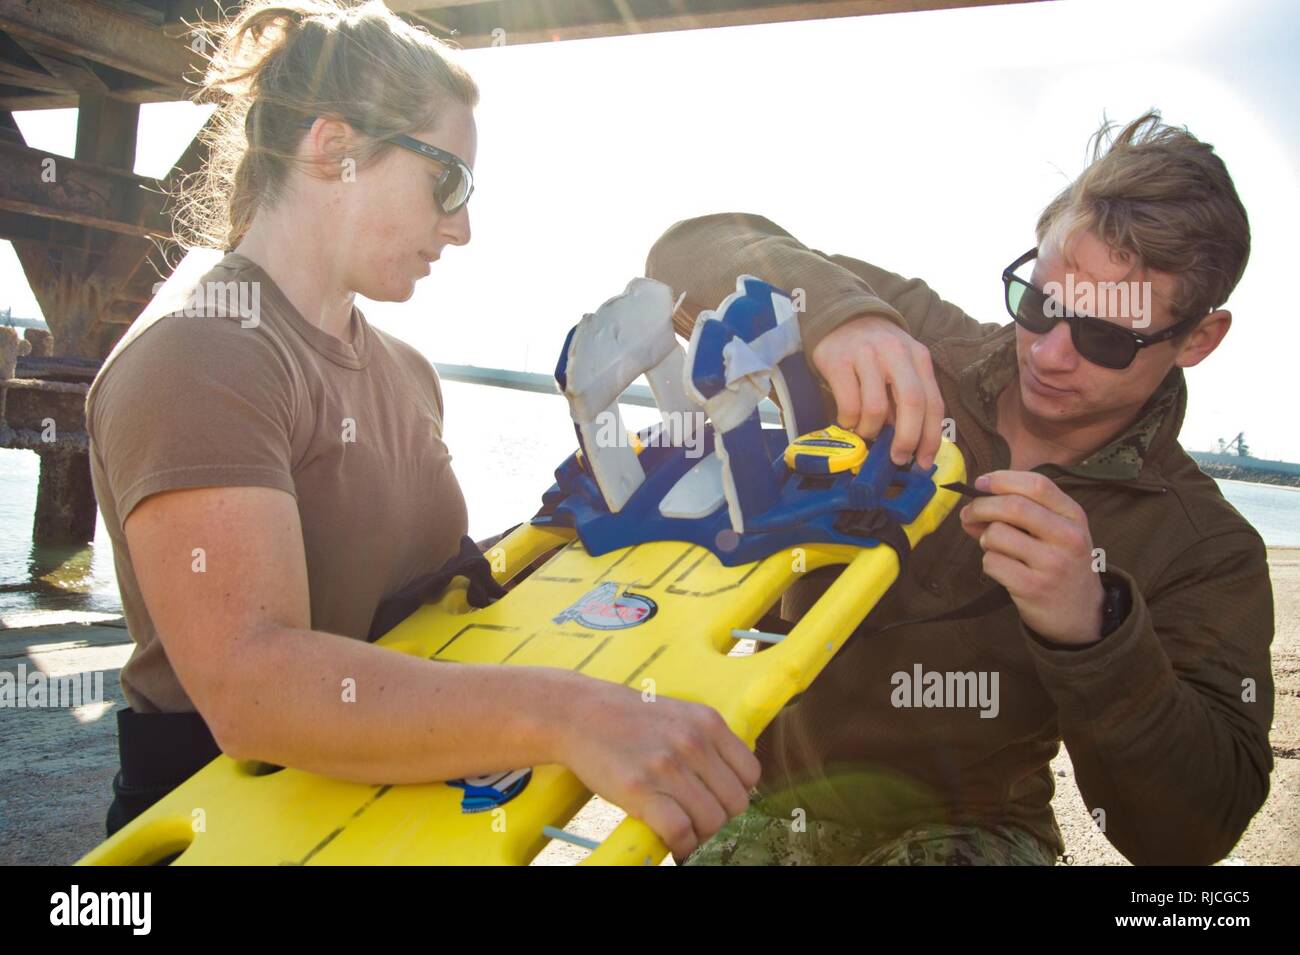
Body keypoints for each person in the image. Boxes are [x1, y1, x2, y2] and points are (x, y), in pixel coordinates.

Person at [86, 0, 757, 860]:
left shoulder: (405, 371)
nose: (462, 227)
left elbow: (418, 607)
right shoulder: (199, 355)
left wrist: (581, 531)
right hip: (229, 834)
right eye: (448, 183)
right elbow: (251, 688)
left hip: (394, 824)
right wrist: (572, 713)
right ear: (335, 151)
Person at [646, 112, 1274, 865]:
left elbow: (1191, 835)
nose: (1049, 352)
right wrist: (839, 317)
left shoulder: (1206, 547)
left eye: (1106, 338)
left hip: (974, 832)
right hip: (760, 791)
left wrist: (1096, 629)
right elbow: (681, 254)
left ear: (1198, 340)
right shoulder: (918, 337)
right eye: (1039, 301)